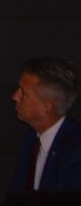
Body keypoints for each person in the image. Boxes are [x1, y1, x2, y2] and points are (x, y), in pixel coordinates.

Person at [10, 58, 81, 191]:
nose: (14, 96)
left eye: (23, 93)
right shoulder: (31, 139)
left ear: (46, 107)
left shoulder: (76, 152)